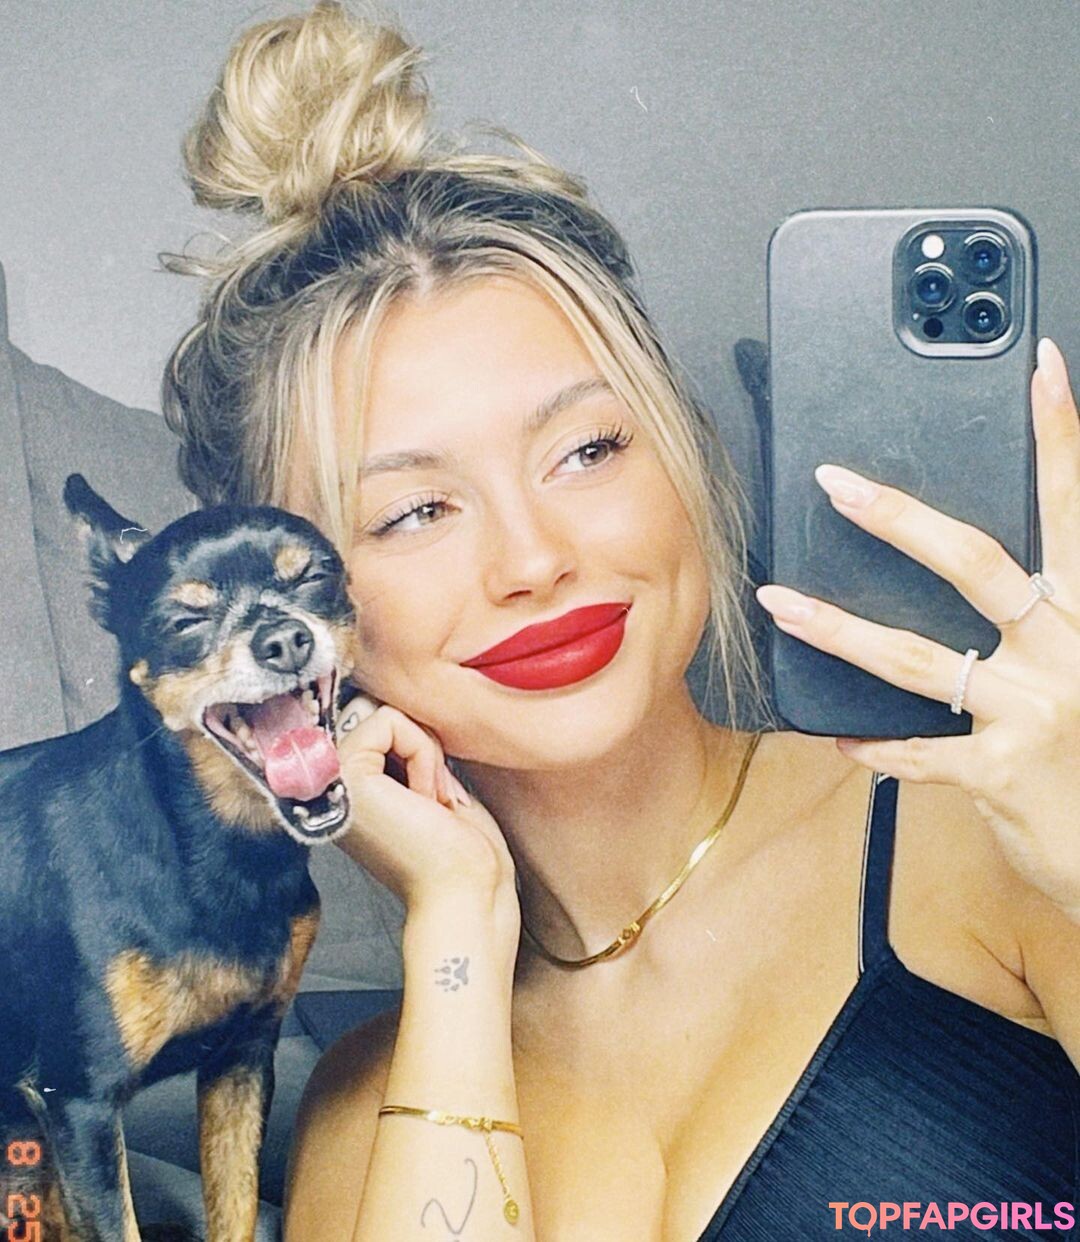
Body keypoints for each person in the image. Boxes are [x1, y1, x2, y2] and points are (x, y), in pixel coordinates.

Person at [160, 4, 1080, 1237]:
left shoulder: (990, 830)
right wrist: (457, 931)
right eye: (416, 511)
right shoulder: (362, 1106)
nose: (535, 559)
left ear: (683, 456)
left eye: (588, 450)